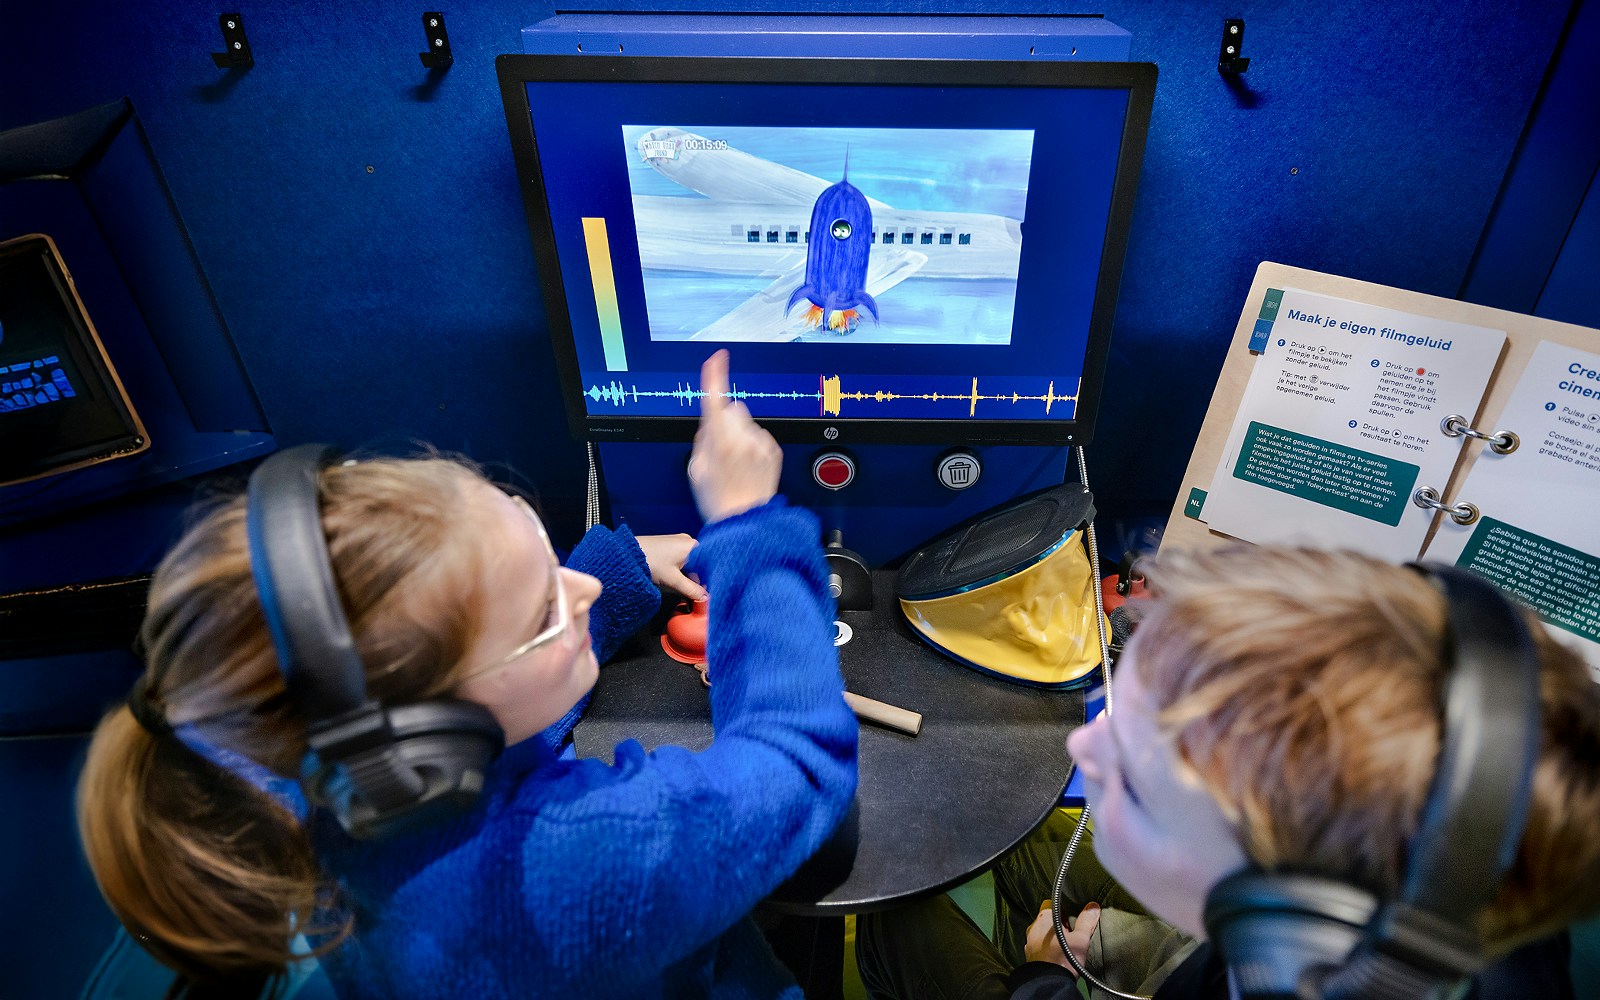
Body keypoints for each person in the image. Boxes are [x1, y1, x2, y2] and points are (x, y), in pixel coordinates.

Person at [77, 349, 860, 998]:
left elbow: (494, 704)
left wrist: (617, 570)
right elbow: (797, 759)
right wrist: (748, 524)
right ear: (430, 740)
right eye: (543, 610)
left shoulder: (320, 774)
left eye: (535, 539)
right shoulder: (582, 860)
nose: (577, 587)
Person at [858, 544, 1600, 1000]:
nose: (1082, 752)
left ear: (1286, 925)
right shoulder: (1461, 887)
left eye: (1140, 788)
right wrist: (1141, 948)